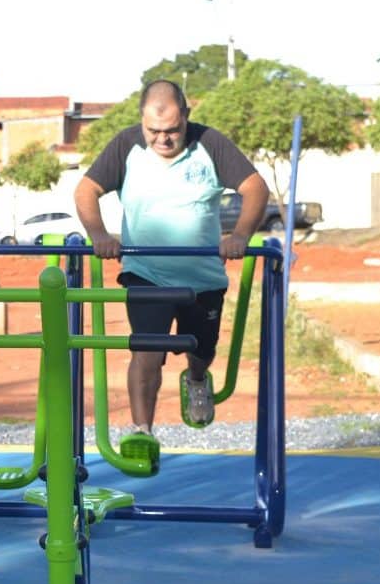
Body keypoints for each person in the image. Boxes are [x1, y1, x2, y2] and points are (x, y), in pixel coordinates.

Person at [74, 79, 269, 440]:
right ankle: (141, 432)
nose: (162, 139)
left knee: (201, 348)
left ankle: (197, 378)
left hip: (203, 276)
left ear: (187, 117)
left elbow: (255, 187)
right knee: (147, 351)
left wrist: (240, 235)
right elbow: (87, 189)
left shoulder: (209, 143)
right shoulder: (126, 144)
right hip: (145, 271)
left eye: (172, 130)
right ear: (141, 121)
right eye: (153, 131)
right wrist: (98, 234)